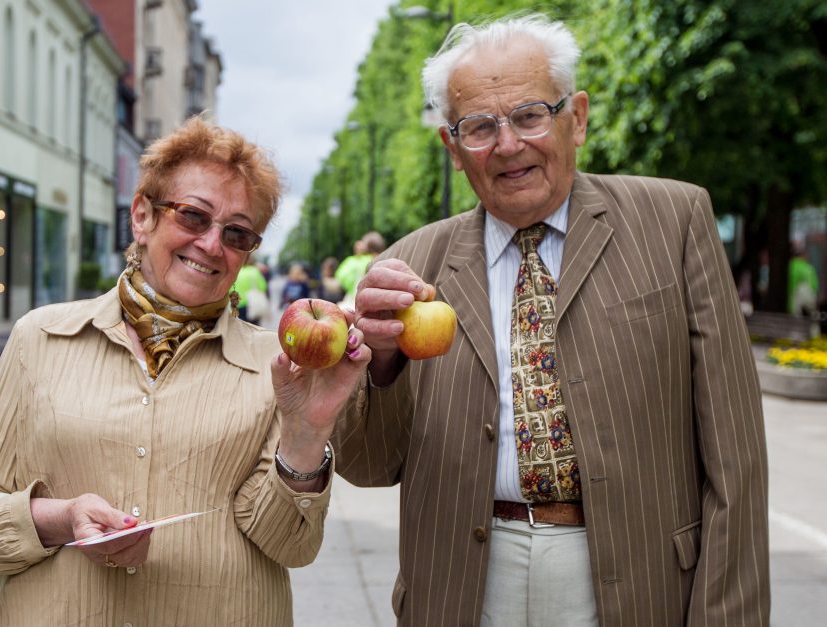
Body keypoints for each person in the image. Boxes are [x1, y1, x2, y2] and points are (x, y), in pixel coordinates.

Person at [334, 14, 769, 627]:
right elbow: (369, 467)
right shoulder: (407, 268)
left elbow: (736, 460)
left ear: (578, 118)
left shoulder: (674, 222)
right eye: (479, 127)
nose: (508, 144)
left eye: (531, 115)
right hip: (462, 586)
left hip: (640, 581)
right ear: (453, 149)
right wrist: (380, 366)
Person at [0, 117, 371, 626]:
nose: (211, 244)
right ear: (142, 215)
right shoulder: (41, 339)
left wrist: (306, 429)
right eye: (192, 216)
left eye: (236, 233)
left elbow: (289, 545)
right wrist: (61, 520)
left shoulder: (279, 368)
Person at [335, 231, 386, 307]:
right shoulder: (386, 259)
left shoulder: (359, 262)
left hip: (357, 301)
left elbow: (340, 276)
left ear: (366, 247)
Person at [234, 256, 269, 325]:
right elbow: (263, 286)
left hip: (238, 303)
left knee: (241, 326)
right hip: (252, 303)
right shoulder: (254, 271)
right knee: (254, 327)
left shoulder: (237, 271)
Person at [787, 244, 819, 316]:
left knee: (796, 317)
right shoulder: (809, 268)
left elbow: (790, 284)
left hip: (794, 296)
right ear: (802, 256)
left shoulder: (791, 265)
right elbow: (815, 285)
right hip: (809, 296)